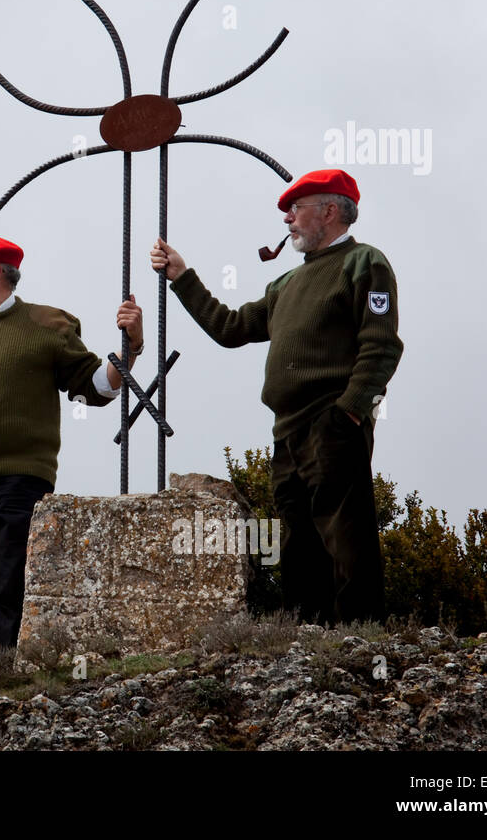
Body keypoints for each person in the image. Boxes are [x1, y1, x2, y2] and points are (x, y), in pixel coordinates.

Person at [148, 169, 402, 626]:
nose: (287, 218)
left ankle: (360, 643)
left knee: (347, 539)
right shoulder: (283, 285)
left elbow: (381, 345)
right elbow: (229, 328)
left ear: (329, 211)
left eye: (296, 208)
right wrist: (183, 278)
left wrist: (350, 411)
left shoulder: (365, 262)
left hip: (333, 423)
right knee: (298, 547)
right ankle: (307, 646)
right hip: (287, 432)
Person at [0, 234, 143, 669]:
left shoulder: (47, 325)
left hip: (19, 482)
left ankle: (0, 679)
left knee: (7, 587)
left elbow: (96, 386)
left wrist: (131, 345)